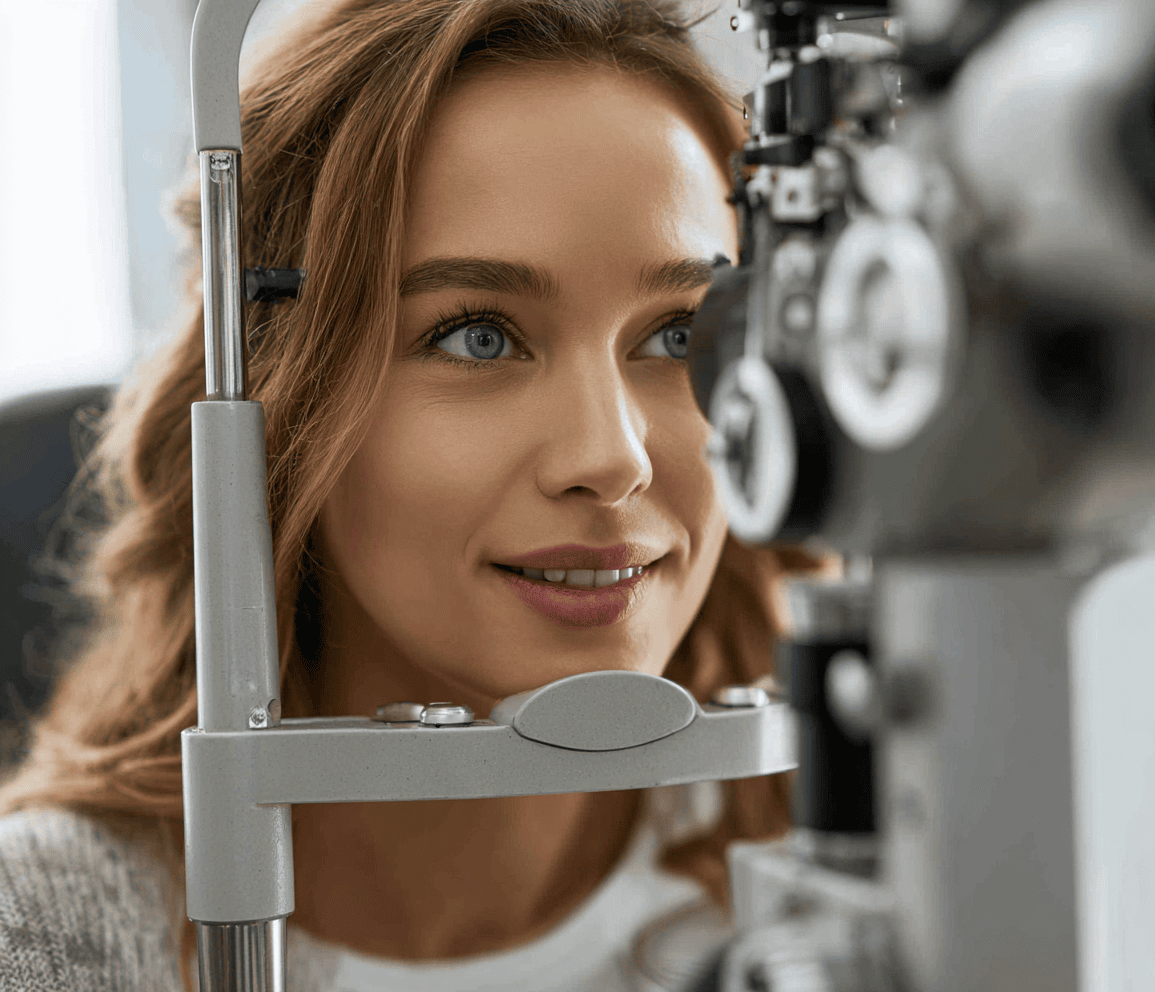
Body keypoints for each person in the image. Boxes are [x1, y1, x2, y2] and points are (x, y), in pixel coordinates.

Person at [0, 0, 818, 988]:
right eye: (479, 336)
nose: (612, 458)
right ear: (281, 395)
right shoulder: (47, 937)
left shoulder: (859, 863)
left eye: (679, 335)